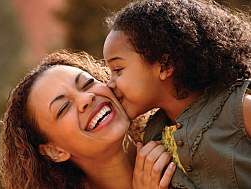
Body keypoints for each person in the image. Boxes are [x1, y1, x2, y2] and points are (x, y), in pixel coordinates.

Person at [103, 0, 251, 188]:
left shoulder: (239, 109)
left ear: (164, 65)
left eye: (117, 69)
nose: (109, 83)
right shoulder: (150, 140)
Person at [0, 50, 176, 189]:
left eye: (87, 84)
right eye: (63, 108)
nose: (86, 99)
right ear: (55, 151)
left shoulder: (179, 130)